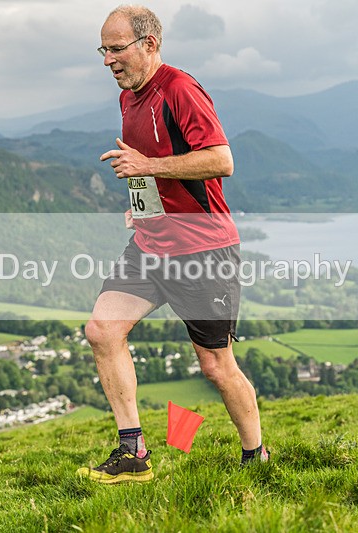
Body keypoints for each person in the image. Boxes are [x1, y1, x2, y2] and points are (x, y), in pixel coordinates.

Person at [76, 5, 267, 484]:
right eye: (104, 49)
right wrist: (141, 207)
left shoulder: (179, 89)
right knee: (102, 330)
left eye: (117, 48)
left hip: (203, 251)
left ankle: (255, 457)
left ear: (149, 44)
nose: (108, 60)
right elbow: (146, 165)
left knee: (216, 365)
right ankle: (132, 453)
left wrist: (146, 168)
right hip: (151, 245)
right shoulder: (128, 98)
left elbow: (221, 160)